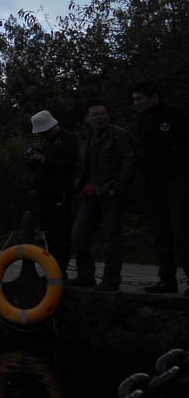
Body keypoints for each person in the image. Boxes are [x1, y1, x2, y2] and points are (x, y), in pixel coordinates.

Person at [70, 99, 136, 291]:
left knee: (111, 239)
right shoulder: (86, 139)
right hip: (89, 196)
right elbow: (81, 168)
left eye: (103, 113)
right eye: (96, 114)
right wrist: (81, 187)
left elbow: (129, 163)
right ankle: (85, 275)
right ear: (87, 118)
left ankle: (111, 279)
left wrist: (117, 188)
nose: (100, 117)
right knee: (79, 237)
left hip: (111, 195)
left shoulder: (119, 135)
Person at [132, 81, 189, 295]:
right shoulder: (143, 121)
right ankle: (167, 280)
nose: (136, 103)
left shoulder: (177, 115)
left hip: (178, 180)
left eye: (139, 99)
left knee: (182, 232)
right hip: (153, 182)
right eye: (134, 99)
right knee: (161, 233)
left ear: (153, 97)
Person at [26, 110, 79, 272]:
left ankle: (60, 269)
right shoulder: (46, 142)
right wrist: (33, 158)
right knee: (48, 231)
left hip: (60, 192)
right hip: (44, 192)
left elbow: (71, 165)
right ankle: (52, 269)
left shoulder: (68, 139)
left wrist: (46, 160)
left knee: (61, 231)